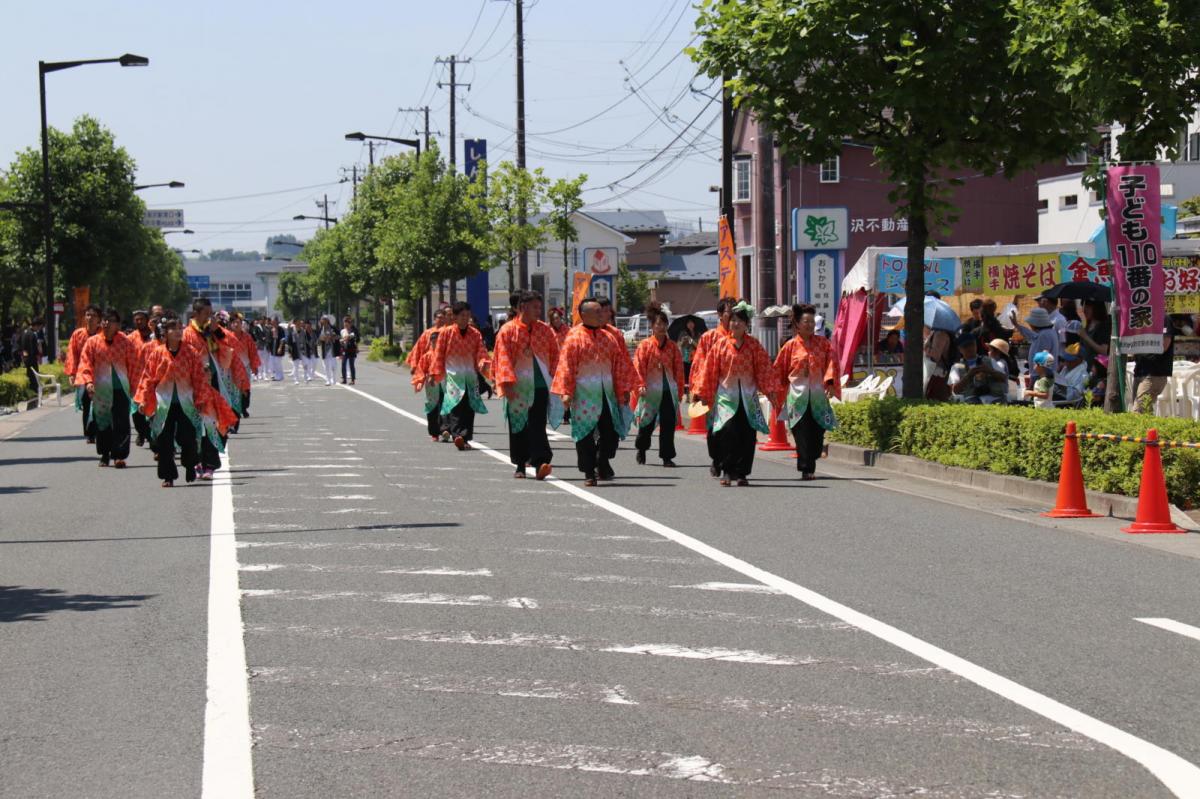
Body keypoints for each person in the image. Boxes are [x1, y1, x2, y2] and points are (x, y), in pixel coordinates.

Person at [135, 314, 237, 487]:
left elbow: (199, 379)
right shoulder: (157, 354)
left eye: (179, 328)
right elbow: (148, 379)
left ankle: (191, 465)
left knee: (188, 439)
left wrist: (202, 398)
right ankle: (168, 476)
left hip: (187, 403)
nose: (177, 331)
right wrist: (144, 400)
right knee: (164, 441)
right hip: (164, 404)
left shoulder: (191, 353)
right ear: (165, 333)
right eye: (172, 328)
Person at [552, 298, 638, 486]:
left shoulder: (609, 338)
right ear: (584, 315)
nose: (602, 315)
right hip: (584, 395)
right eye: (597, 312)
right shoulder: (574, 337)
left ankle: (601, 459)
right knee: (585, 435)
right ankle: (589, 472)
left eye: (602, 312)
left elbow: (620, 366)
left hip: (607, 395)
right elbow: (566, 366)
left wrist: (623, 390)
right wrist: (566, 391)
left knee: (611, 434)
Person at [693, 301, 779, 487]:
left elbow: (764, 369)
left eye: (740, 321)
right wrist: (702, 393)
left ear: (746, 324)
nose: (736, 324)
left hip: (748, 397)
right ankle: (727, 470)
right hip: (726, 397)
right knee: (727, 432)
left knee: (747, 435)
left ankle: (741, 473)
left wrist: (770, 390)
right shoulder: (720, 346)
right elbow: (709, 371)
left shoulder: (754, 346)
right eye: (732, 320)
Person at [494, 290, 562, 479]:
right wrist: (506, 383)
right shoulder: (507, 330)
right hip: (517, 385)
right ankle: (520, 464)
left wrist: (558, 379)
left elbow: (555, 355)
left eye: (540, 307)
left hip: (540, 385)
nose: (538, 310)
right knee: (518, 425)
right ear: (522, 307)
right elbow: (503, 358)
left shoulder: (545, 330)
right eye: (534, 307)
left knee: (538, 425)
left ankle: (541, 462)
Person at [774, 303, 840, 480]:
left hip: (817, 394)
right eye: (806, 321)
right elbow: (779, 369)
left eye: (812, 321)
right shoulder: (790, 346)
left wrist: (831, 382)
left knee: (817, 432)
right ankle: (806, 468)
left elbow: (832, 364)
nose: (810, 325)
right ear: (797, 324)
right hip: (797, 396)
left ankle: (811, 459)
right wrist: (775, 390)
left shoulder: (824, 344)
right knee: (801, 433)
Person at [75, 308, 140, 468]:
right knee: (102, 421)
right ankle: (104, 454)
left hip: (121, 389)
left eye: (110, 320)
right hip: (101, 389)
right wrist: (88, 382)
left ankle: (119, 455)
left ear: (117, 324)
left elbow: (134, 365)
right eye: (104, 320)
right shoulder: (93, 342)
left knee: (121, 422)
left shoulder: (125, 342)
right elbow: (85, 363)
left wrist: (136, 388)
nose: (106, 323)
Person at [429, 301, 492, 450]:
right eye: (462, 315)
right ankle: (458, 435)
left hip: (470, 376)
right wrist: (433, 374)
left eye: (467, 315)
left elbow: (481, 352)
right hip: (453, 376)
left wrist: (483, 362)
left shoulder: (475, 334)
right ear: (455, 317)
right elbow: (438, 355)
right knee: (456, 406)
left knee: (469, 408)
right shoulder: (446, 333)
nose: (465, 318)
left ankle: (465, 438)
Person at [631, 304, 684, 468]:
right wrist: (640, 385)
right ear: (652, 326)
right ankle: (642, 448)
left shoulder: (673, 347)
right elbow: (638, 367)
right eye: (658, 324)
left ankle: (667, 456)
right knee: (646, 423)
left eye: (664, 324)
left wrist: (680, 391)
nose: (661, 327)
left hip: (668, 390)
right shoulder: (645, 346)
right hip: (650, 391)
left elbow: (679, 370)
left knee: (668, 424)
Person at [182, 298, 229, 479]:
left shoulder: (212, 332)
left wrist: (216, 331)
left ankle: (210, 463)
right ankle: (197, 462)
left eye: (211, 314)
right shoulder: (187, 334)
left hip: (213, 384)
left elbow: (226, 348)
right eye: (206, 314)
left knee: (213, 423)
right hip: (193, 385)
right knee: (195, 425)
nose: (209, 318)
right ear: (196, 314)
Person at [690, 297, 735, 477]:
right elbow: (699, 363)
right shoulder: (709, 337)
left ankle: (729, 463)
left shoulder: (742, 338)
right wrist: (697, 389)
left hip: (734, 391)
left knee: (732, 428)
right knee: (714, 428)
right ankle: (717, 459)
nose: (732, 317)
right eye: (728, 313)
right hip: (713, 390)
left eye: (735, 313)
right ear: (720, 315)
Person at [408, 306, 449, 441]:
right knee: (432, 404)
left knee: (446, 402)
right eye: (439, 317)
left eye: (443, 317)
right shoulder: (427, 333)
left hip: (445, 376)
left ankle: (445, 429)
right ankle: (435, 431)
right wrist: (415, 368)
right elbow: (418, 349)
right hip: (430, 376)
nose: (441, 320)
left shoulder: (449, 332)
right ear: (434, 319)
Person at [64, 306, 101, 443]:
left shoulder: (103, 335)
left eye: (94, 315)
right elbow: (72, 354)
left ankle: (100, 430)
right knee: (87, 403)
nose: (90, 318)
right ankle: (90, 433)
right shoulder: (77, 334)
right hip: (84, 374)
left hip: (101, 375)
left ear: (99, 319)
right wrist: (72, 373)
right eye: (88, 315)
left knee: (100, 403)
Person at [948, 333, 1008, 404]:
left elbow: (1004, 378)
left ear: (976, 344)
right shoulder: (956, 367)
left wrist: (990, 371)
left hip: (993, 399)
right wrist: (968, 375)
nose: (969, 348)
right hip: (971, 401)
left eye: (971, 344)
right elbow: (954, 390)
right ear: (960, 349)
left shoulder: (989, 360)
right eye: (965, 346)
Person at [1133, 316, 1175, 414]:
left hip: (1154, 373)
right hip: (1139, 370)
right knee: (1144, 412)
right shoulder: (1139, 317)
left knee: (1138, 412)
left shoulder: (1164, 319)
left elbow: (1164, 345)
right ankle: (1152, 429)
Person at [128, 309, 157, 448]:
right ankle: (142, 432)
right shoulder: (131, 338)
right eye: (136, 319)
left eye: (141, 319)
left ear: (147, 320)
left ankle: (154, 441)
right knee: (136, 414)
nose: (139, 322)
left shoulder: (155, 336)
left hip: (152, 380)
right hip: (135, 381)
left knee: (151, 412)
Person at [1011, 306, 1060, 374]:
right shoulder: (1047, 332)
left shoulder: (1044, 335)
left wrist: (1033, 377)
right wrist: (1016, 325)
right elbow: (1031, 334)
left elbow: (1041, 362)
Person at [228, 314, 260, 416]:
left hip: (245, 366)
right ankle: (235, 409)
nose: (236, 324)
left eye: (239, 322)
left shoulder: (247, 337)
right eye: (234, 323)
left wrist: (254, 366)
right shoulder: (227, 337)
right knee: (234, 389)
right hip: (232, 368)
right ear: (230, 324)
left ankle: (244, 407)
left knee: (245, 387)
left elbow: (253, 352)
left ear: (242, 324)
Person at [923, 326, 955, 401]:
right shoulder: (937, 332)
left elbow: (935, 356)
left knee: (934, 398)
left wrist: (926, 349)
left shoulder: (940, 334)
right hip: (937, 371)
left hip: (937, 372)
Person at [1077, 299, 1111, 367]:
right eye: (1084, 307)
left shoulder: (1104, 325)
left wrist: (1085, 337)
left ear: (1097, 308)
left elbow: (1104, 350)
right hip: (1085, 367)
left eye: (1088, 307)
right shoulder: (1088, 324)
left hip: (1097, 369)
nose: (1084, 310)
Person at [19, 317, 44, 395]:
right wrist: (37, 355)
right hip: (32, 359)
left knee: (29, 376)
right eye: (40, 327)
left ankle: (31, 393)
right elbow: (32, 349)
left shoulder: (25, 332)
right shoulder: (32, 334)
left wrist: (25, 357)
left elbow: (22, 346)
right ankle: (35, 394)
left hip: (26, 358)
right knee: (34, 378)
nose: (39, 329)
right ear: (36, 325)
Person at [317, 316, 339, 386]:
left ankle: (334, 379)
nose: (323, 321)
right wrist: (322, 339)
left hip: (332, 349)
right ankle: (328, 380)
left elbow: (339, 336)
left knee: (333, 366)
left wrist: (332, 337)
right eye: (322, 320)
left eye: (324, 320)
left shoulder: (333, 328)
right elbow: (318, 341)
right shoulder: (320, 329)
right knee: (326, 366)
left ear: (327, 320)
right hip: (324, 350)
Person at [678, 318, 699, 388]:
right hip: (685, 357)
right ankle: (686, 392)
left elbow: (699, 346)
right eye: (688, 323)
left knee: (694, 375)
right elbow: (679, 345)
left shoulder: (697, 333)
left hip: (695, 357)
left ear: (694, 324)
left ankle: (693, 390)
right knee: (686, 375)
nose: (690, 324)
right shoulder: (683, 333)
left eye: (691, 322)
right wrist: (683, 341)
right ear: (686, 325)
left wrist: (692, 341)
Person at [340, 315, 359, 384]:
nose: (345, 325)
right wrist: (342, 340)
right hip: (345, 349)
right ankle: (344, 379)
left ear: (350, 323)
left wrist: (348, 337)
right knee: (343, 364)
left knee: (351, 364)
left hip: (352, 349)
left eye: (347, 323)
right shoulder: (342, 331)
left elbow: (355, 338)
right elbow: (342, 339)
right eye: (344, 323)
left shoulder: (354, 330)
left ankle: (353, 380)